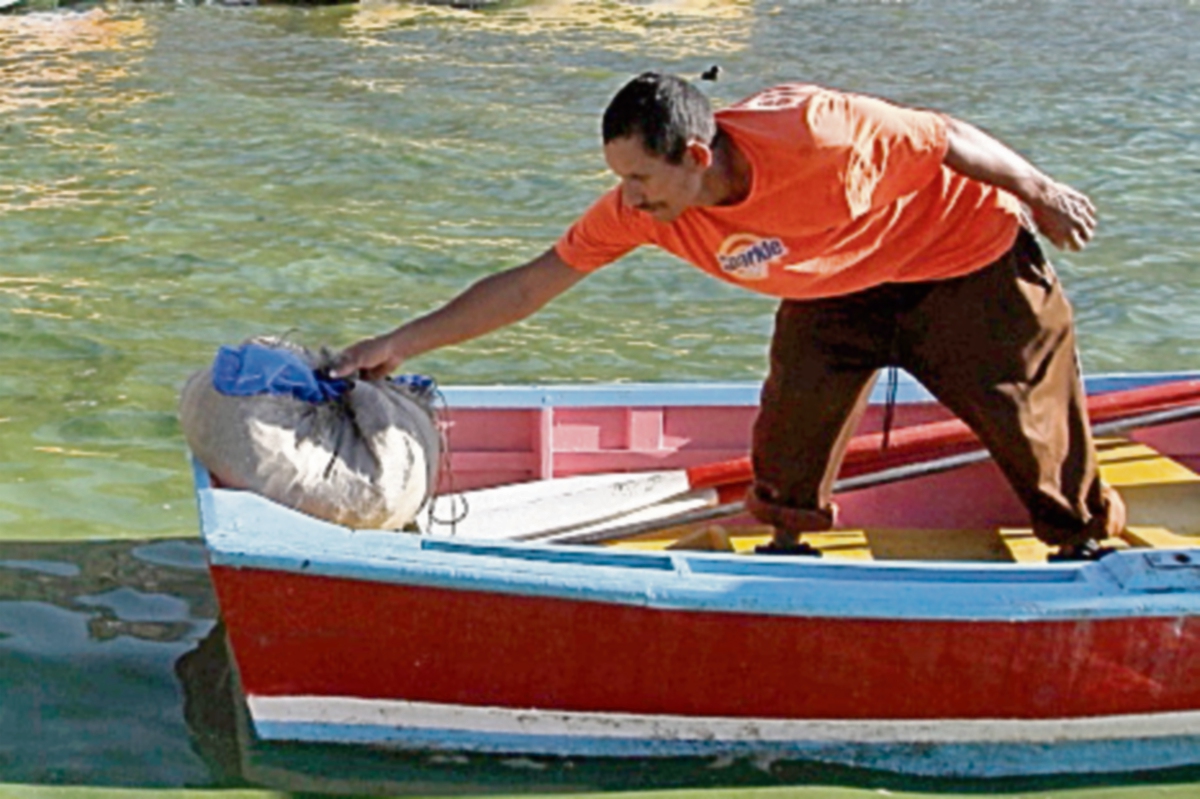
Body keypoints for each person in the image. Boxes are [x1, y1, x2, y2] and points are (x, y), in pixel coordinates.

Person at [332, 72, 1125, 561]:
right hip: (836, 284)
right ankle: (787, 551)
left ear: (696, 156)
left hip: (963, 261)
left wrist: (1041, 191)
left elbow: (946, 136)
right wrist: (399, 341)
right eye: (621, 181)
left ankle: (1087, 546)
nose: (631, 199)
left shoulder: (821, 134)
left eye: (643, 179)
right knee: (789, 428)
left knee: (1037, 431)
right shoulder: (644, 212)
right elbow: (532, 283)